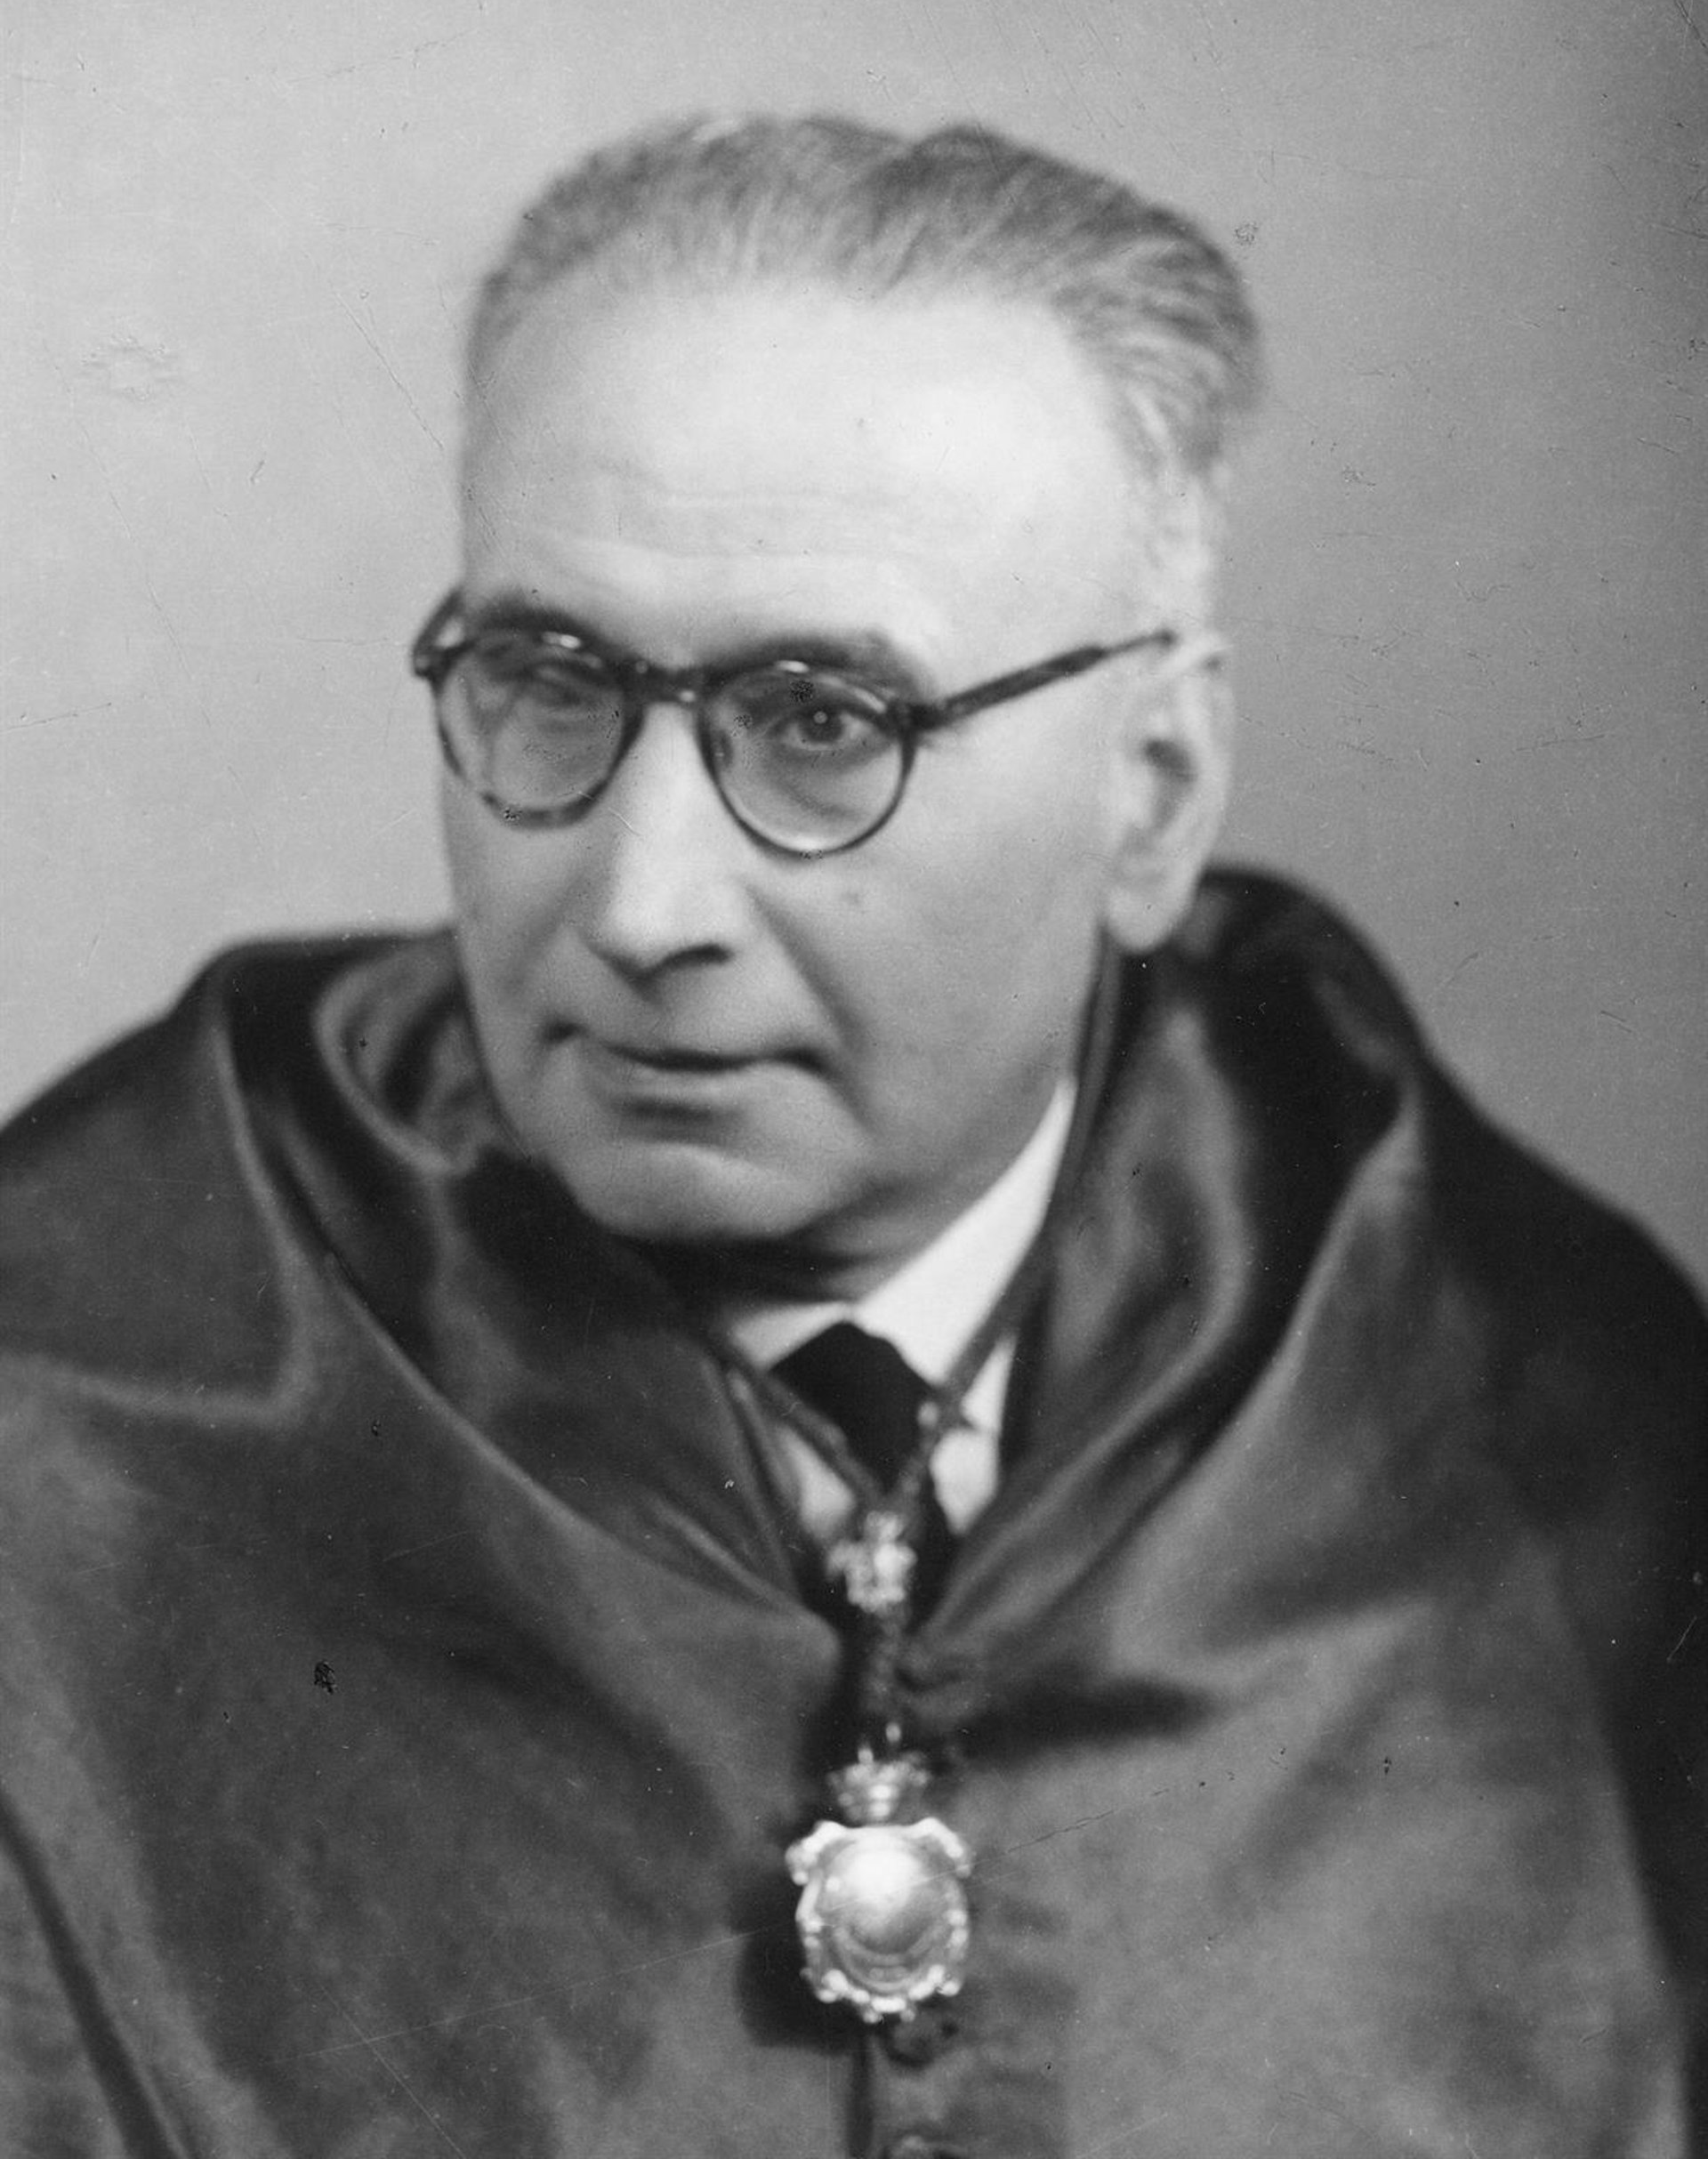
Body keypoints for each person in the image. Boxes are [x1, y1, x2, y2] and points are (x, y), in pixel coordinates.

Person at [0, 114, 1702, 2159]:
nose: (642, 906)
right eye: (548, 681)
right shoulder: (83, 1399)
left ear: (1154, 793)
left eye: (828, 725)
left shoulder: (1550, 1434)